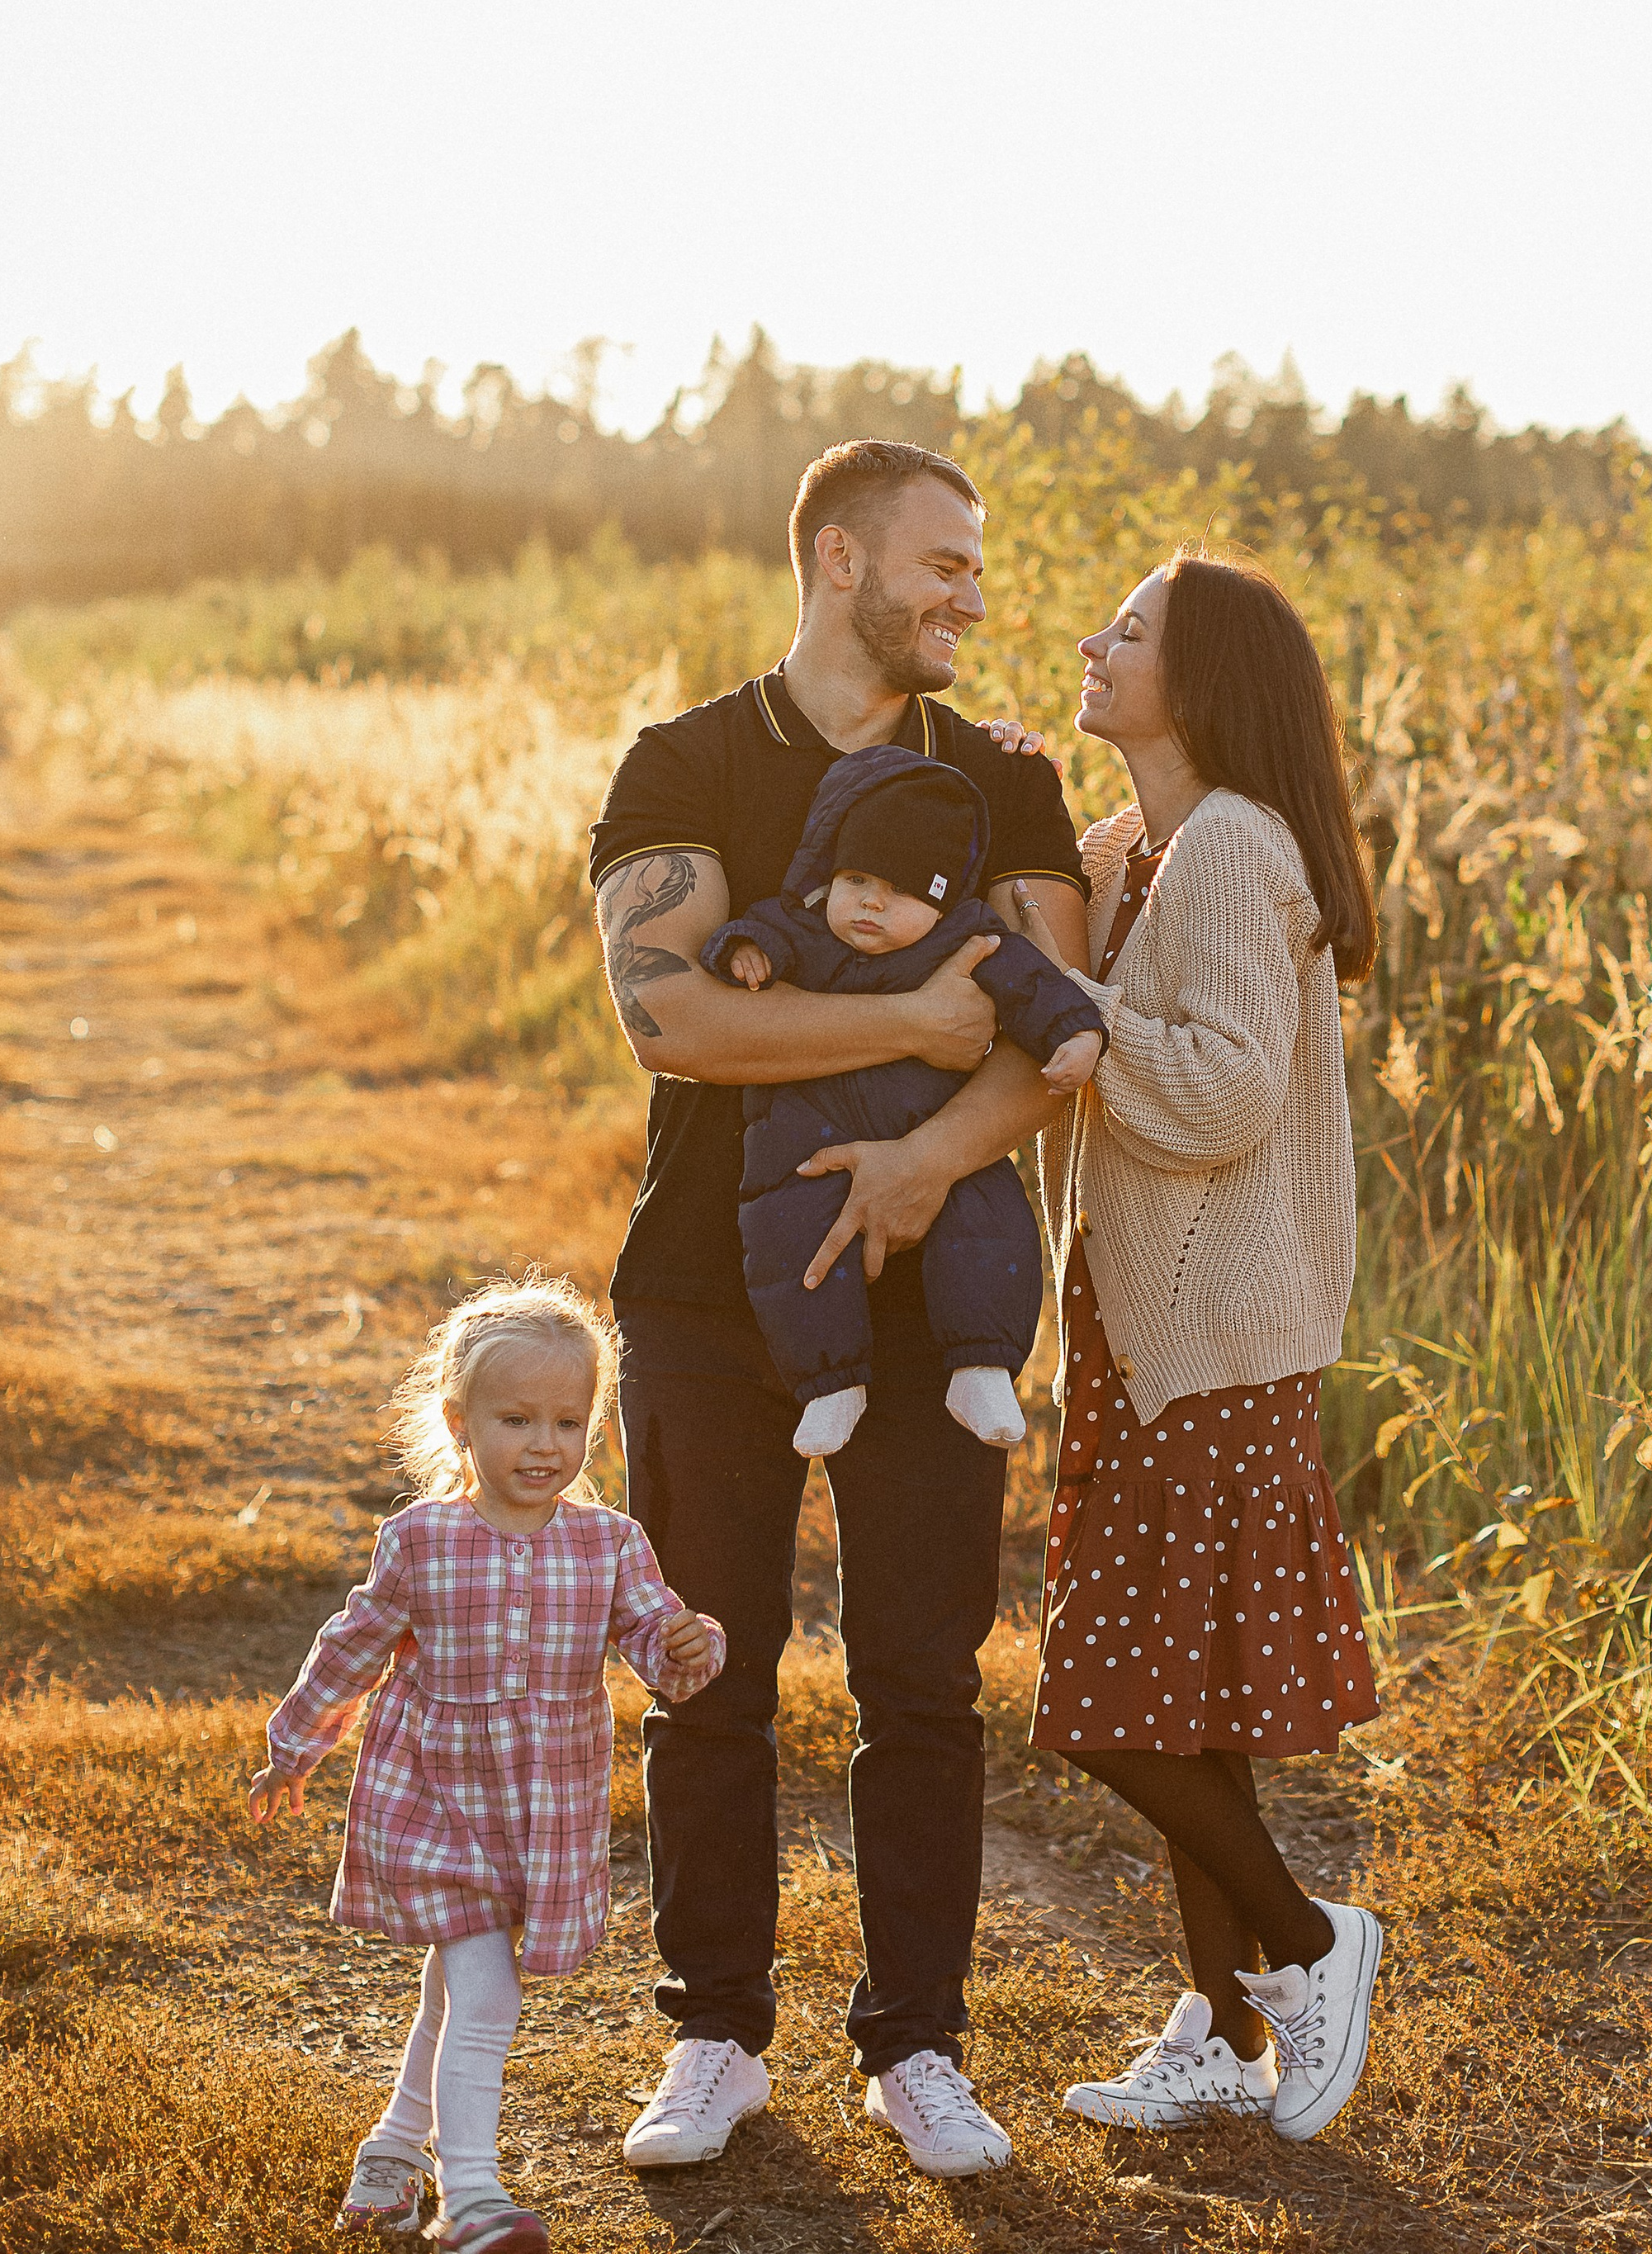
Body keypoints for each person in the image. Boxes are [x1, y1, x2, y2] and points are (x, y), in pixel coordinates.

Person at [588, 438, 1091, 2180]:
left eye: (975, 568)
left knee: (922, 1682)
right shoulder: (686, 763)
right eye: (941, 563)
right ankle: (716, 2034)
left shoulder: (1005, 781)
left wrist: (909, 1168)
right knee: (706, 1671)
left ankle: (916, 2046)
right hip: (703, 1296)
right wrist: (912, 1029)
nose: (969, 595)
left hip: (930, 1297)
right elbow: (673, 1025)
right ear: (835, 558)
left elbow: (1050, 1038)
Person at [1014, 553, 1385, 2146]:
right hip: (1147, 1322)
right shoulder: (1146, 847)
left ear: (1206, 680)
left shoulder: (1234, 845)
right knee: (1185, 1693)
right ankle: (1222, 2027)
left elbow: (1228, 1087)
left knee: (1108, 1702)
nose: (1095, 644)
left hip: (1216, 1330)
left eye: (1131, 631)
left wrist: (1073, 1014)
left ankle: (1312, 1947)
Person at [249, 1281, 724, 2251]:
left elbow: (653, 1641)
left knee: (456, 1982)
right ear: (460, 1423)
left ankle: (391, 2147)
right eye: (516, 1420)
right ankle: (471, 2202)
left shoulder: (608, 1543)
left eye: (567, 1421)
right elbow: (353, 1647)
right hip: (434, 1801)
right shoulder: (422, 1540)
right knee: (488, 1993)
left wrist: (687, 1645)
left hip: (539, 1814)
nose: (545, 1445)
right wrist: (292, 1748)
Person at [703, 744, 1105, 1457]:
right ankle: (830, 1383)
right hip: (805, 1141)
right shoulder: (803, 925)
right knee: (788, 1238)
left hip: (936, 1128)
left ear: (944, 901)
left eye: (902, 892)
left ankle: (980, 1366)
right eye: (856, 879)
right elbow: (750, 927)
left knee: (987, 1223)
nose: (871, 904)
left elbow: (1040, 987)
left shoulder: (973, 940)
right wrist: (743, 951)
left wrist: (1077, 1035)